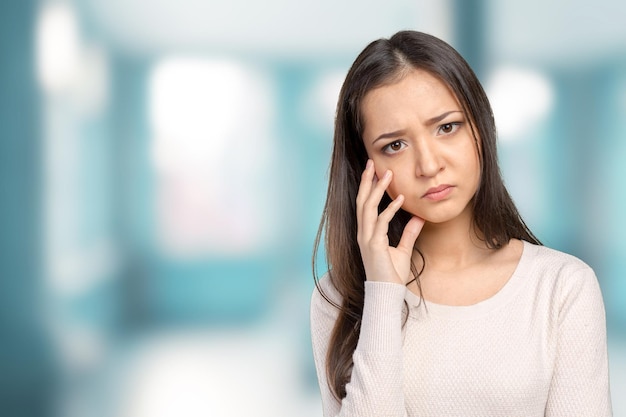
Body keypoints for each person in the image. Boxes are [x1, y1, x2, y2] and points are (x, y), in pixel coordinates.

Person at [310, 30, 612, 417]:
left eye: (446, 127)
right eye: (395, 145)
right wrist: (383, 291)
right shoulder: (338, 297)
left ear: (480, 129)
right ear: (366, 167)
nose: (429, 165)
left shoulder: (562, 287)